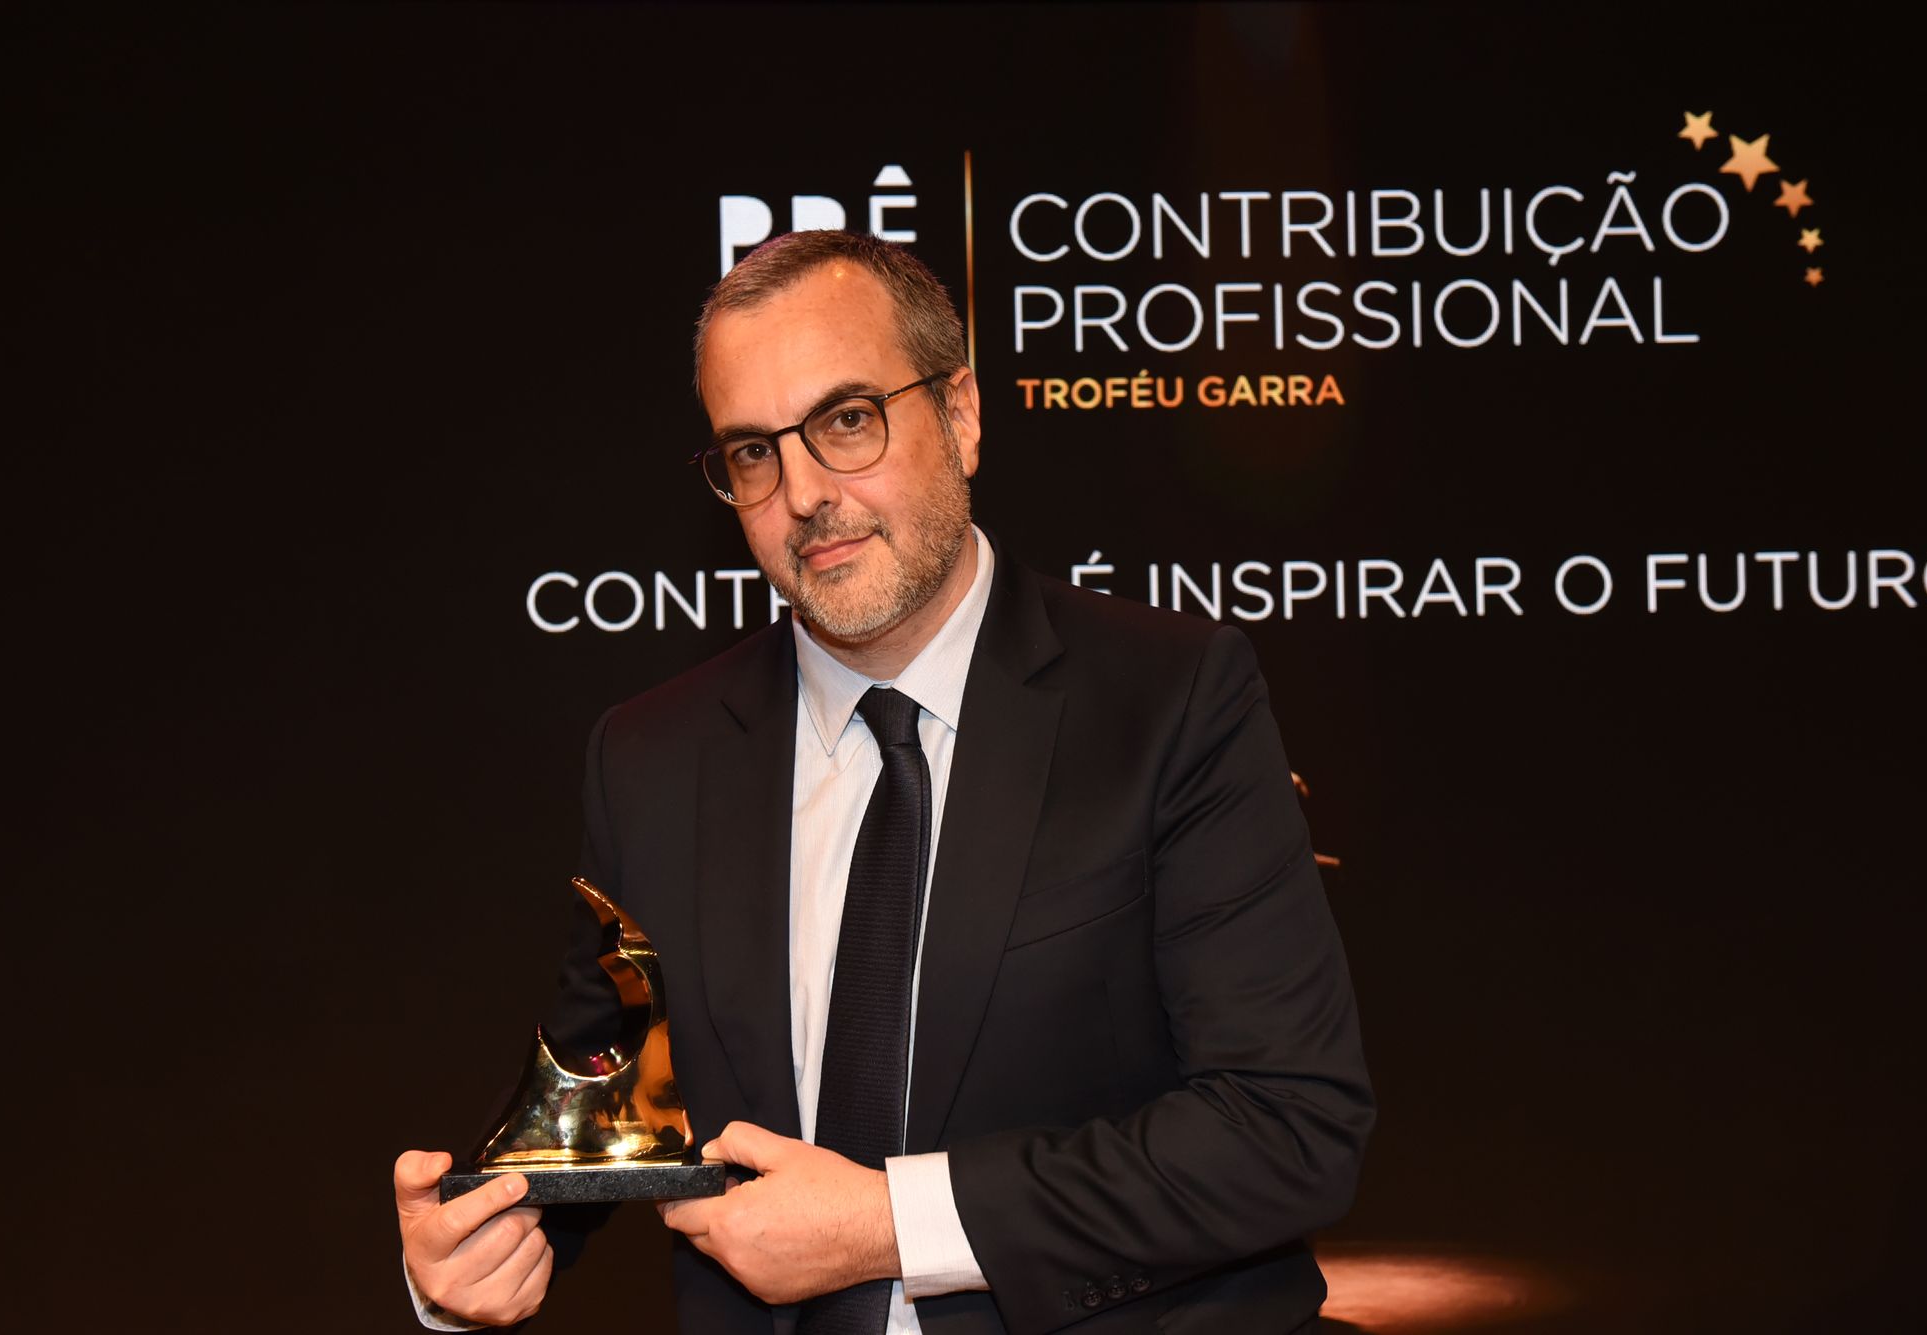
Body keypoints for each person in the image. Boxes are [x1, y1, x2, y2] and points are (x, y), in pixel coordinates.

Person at [393, 230, 1373, 1333]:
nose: (804, 493)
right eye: (753, 452)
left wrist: (891, 1222)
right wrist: (471, 1240)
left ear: (961, 414)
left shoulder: (1169, 701)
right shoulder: (650, 756)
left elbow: (1286, 1126)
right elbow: (600, 1085)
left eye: (847, 421)